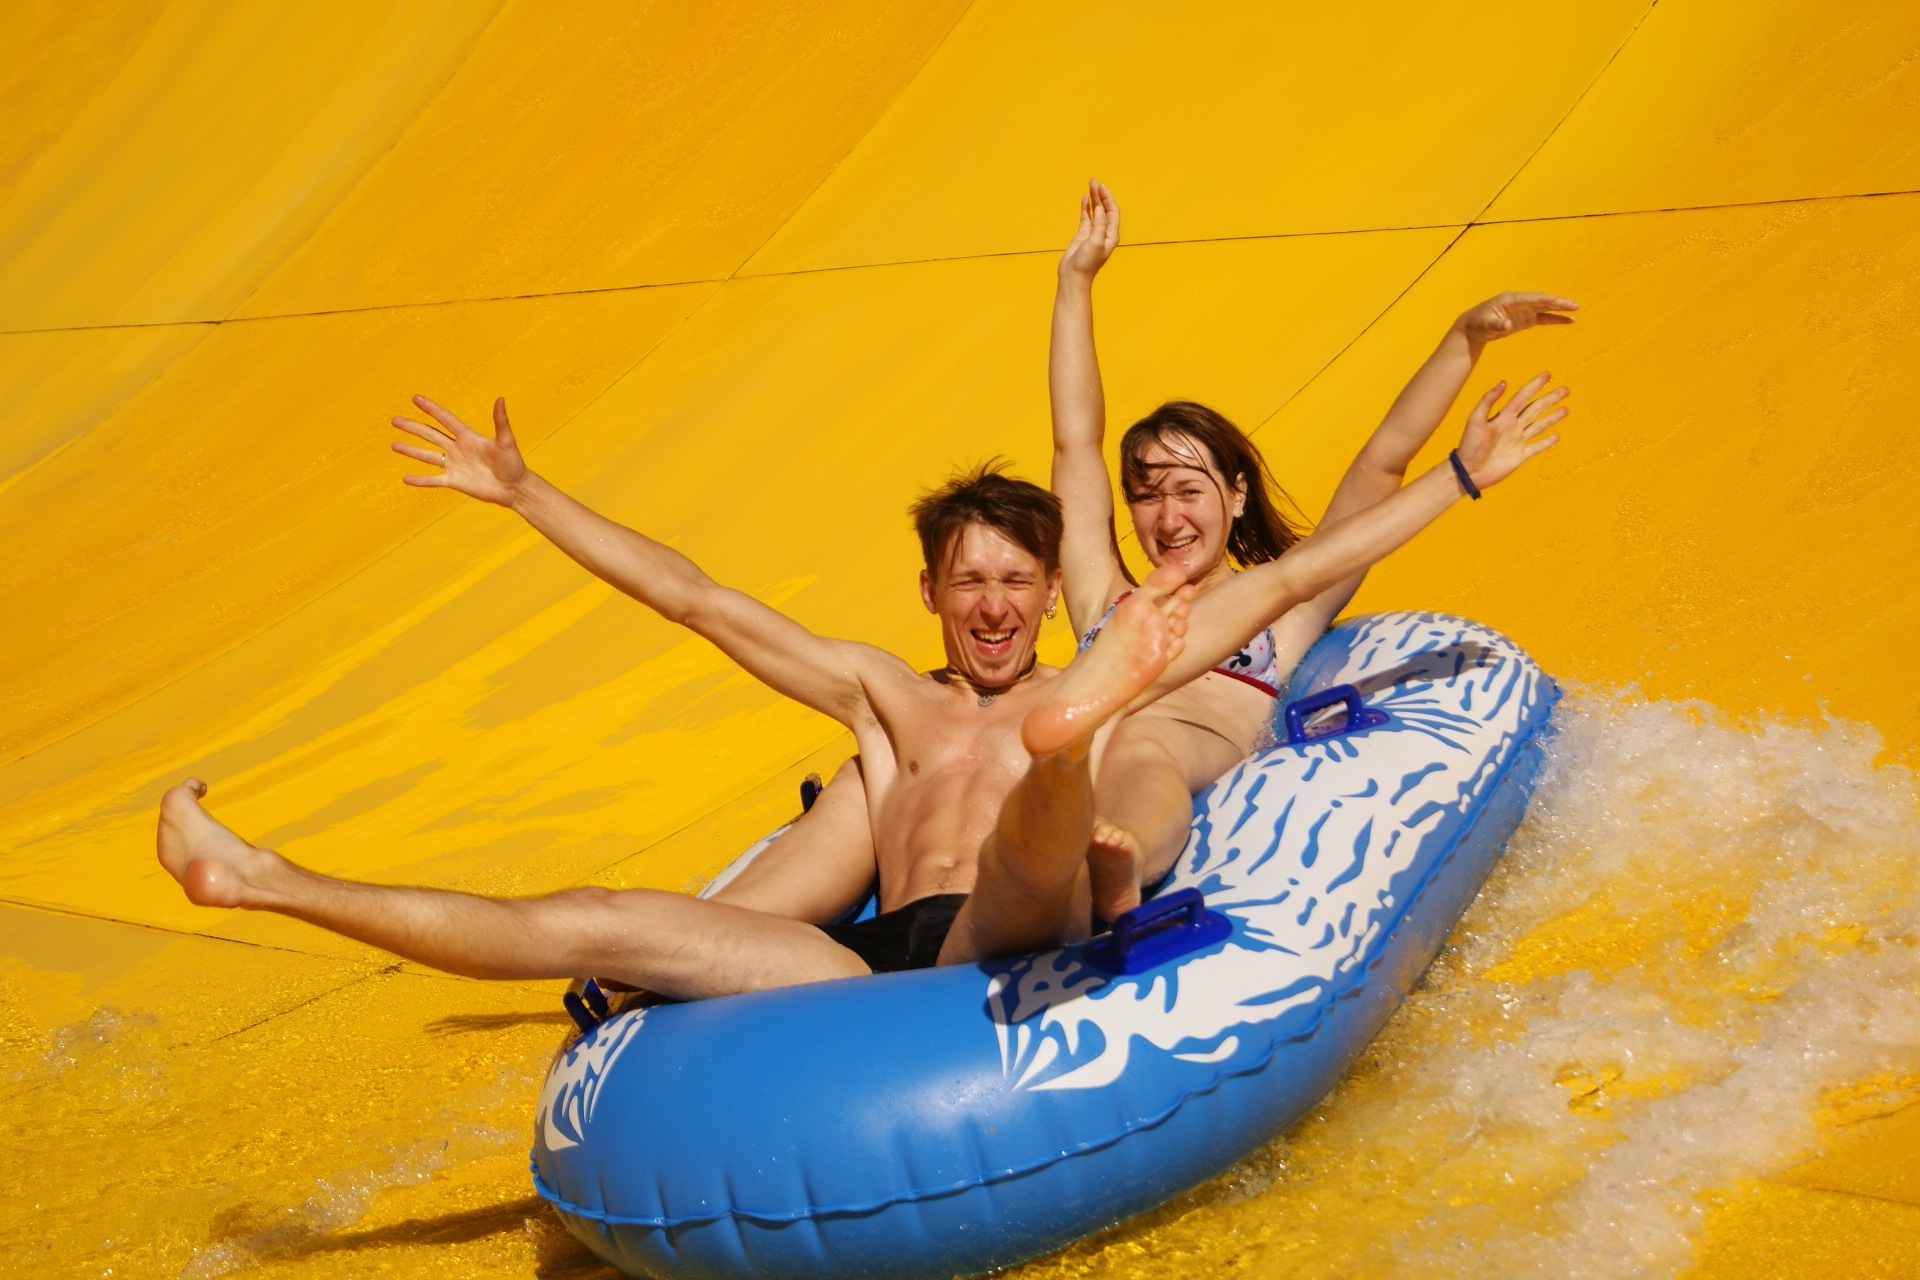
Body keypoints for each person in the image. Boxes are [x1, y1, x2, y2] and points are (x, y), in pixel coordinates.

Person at [155, 345, 1557, 1001]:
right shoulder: (884, 694)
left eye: (1017, 581)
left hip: (1006, 926)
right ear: (933, 597)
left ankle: (1069, 759)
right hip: (868, 957)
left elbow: (1303, 572)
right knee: (593, 917)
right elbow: (693, 596)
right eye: (971, 583)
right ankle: (262, 878)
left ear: (1048, 594)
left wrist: (1458, 477)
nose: (995, 605)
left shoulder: (1115, 650)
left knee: (1051, 791)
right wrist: (529, 494)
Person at [1050, 180, 1576, 918]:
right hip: (1069, 754)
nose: (1168, 517)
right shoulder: (1103, 597)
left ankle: (1124, 855)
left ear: (1236, 495)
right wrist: (1075, 280)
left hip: (1170, 754)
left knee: (1145, 749)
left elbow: (1382, 464)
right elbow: (1074, 440)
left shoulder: (1282, 607)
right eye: (1147, 495)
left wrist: (1463, 341)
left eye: (1188, 490)